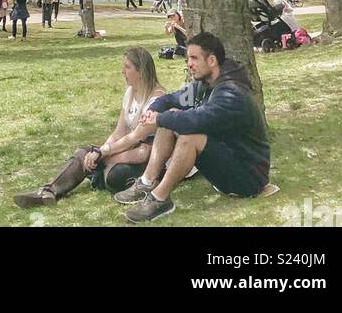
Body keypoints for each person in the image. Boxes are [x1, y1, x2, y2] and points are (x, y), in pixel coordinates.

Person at [114, 32, 271, 224]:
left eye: (194, 58)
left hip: (248, 178)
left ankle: (160, 199)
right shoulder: (204, 85)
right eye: (188, 58)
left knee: (189, 134)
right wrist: (154, 110)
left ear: (212, 60)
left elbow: (197, 121)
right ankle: (146, 182)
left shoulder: (231, 93)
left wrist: (161, 118)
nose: (189, 63)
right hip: (226, 162)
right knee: (169, 115)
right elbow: (171, 99)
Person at [13, 48, 164, 207]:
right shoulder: (130, 92)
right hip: (127, 148)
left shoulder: (157, 99)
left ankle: (96, 175)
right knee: (82, 154)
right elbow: (120, 131)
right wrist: (100, 151)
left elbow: (137, 138)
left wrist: (104, 153)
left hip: (144, 157)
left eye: (127, 67)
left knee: (115, 176)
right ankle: (48, 192)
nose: (122, 71)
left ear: (141, 71)